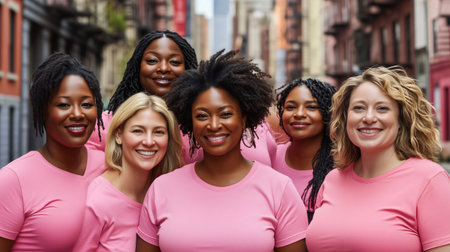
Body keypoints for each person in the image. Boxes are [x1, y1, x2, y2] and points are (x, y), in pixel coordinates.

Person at [136, 50, 308, 252]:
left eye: (225, 114)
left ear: (244, 118)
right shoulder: (161, 189)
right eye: (202, 116)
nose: (214, 125)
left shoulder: (279, 189)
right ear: (190, 122)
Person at [306, 66, 450, 251]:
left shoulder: (430, 180)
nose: (368, 117)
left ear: (401, 120)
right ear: (345, 118)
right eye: (359, 108)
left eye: (382, 108)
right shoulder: (333, 179)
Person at [0, 52, 106, 251]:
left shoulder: (110, 166)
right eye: (63, 104)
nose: (77, 114)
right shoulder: (13, 180)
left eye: (86, 104)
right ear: (43, 111)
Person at [74, 93, 183, 251]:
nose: (148, 141)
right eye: (138, 131)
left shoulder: (167, 193)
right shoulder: (96, 201)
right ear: (119, 135)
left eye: (158, 132)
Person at [86, 29, 198, 151]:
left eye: (175, 62)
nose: (164, 68)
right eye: (152, 60)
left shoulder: (198, 128)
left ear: (187, 69)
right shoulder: (105, 127)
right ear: (137, 67)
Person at [272, 78, 335, 222]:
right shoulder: (270, 157)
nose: (299, 113)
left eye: (311, 107)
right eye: (290, 107)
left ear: (328, 113)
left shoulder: (343, 164)